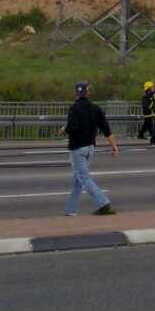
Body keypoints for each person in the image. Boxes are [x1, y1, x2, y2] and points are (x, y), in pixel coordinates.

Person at [63, 81, 119, 216]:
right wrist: (115, 147)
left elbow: (72, 127)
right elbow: (106, 130)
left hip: (77, 148)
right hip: (90, 148)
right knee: (79, 179)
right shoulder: (96, 108)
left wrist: (63, 129)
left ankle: (103, 203)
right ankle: (71, 210)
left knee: (83, 177)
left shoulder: (74, 108)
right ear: (87, 92)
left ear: (76, 93)